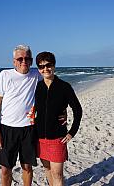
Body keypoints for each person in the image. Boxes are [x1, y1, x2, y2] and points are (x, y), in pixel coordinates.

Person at [0, 44, 41, 186]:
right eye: (20, 58)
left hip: (29, 129)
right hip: (7, 129)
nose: (24, 61)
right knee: (6, 169)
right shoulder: (5, 75)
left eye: (27, 58)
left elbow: (54, 89)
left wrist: (61, 111)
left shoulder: (36, 75)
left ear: (31, 61)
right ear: (14, 61)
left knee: (27, 167)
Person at [34, 51, 83, 186]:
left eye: (48, 65)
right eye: (41, 66)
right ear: (38, 69)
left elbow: (77, 110)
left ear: (54, 66)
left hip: (57, 138)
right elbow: (33, 108)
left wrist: (72, 132)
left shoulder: (64, 87)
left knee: (57, 174)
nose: (45, 69)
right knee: (47, 168)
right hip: (40, 137)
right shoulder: (37, 87)